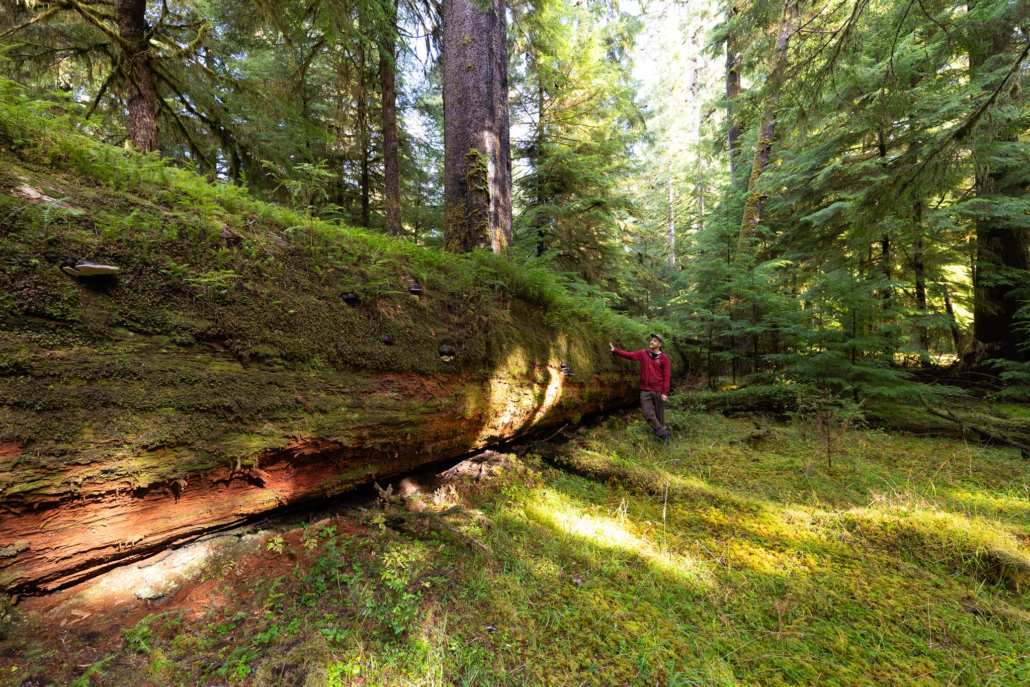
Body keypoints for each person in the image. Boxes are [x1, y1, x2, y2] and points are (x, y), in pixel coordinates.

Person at [609, 334, 672, 445]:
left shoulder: (664, 358)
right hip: (645, 389)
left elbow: (667, 376)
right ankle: (663, 433)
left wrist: (665, 392)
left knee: (660, 415)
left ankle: (662, 439)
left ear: (660, 344)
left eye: (655, 341)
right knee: (647, 413)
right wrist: (615, 350)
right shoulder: (643, 353)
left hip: (658, 390)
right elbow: (629, 355)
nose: (651, 342)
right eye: (651, 340)